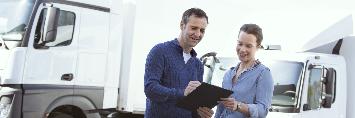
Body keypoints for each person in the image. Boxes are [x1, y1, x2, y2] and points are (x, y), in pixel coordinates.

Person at [144, 8, 214, 118]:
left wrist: (200, 112)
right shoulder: (159, 51)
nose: (197, 34)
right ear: (182, 25)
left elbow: (192, 104)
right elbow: (150, 89)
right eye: (194, 28)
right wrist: (182, 93)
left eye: (202, 30)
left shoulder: (198, 65)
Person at [214, 24, 274, 118]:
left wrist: (238, 106)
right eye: (240, 44)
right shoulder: (228, 74)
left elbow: (263, 111)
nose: (242, 49)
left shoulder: (263, 73)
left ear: (257, 47)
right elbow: (220, 109)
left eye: (248, 46)